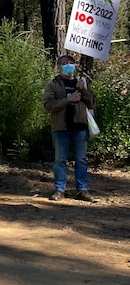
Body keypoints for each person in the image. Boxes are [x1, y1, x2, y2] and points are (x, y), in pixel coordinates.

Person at [43, 54, 96, 202]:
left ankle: (82, 190)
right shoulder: (53, 84)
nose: (69, 65)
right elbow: (48, 106)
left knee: (81, 160)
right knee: (60, 160)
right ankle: (60, 190)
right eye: (66, 63)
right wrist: (68, 99)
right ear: (59, 67)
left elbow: (92, 103)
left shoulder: (81, 82)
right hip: (60, 128)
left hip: (80, 127)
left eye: (72, 63)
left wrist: (83, 90)